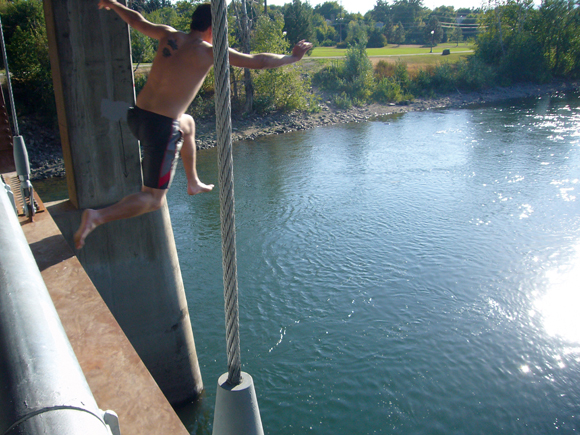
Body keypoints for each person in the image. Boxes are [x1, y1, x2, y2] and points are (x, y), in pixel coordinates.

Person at [74, 0, 312, 249]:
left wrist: (112, 3)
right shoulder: (209, 51)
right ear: (214, 28)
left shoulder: (169, 35)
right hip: (160, 128)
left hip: (137, 115)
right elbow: (258, 61)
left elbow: (136, 21)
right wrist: (293, 57)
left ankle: (193, 181)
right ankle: (97, 217)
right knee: (154, 199)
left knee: (187, 122)